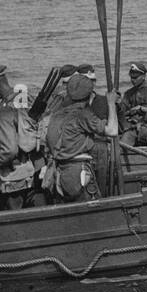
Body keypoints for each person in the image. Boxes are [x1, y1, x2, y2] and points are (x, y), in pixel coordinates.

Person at [44, 73, 119, 202]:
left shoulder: (57, 115)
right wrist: (111, 103)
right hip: (77, 173)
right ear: (90, 95)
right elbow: (112, 130)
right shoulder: (82, 115)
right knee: (92, 210)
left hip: (60, 173)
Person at [0, 65, 44, 210]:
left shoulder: (4, 110)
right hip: (35, 165)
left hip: (15, 171)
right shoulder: (27, 97)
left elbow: (9, 150)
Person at [121, 62, 147, 127]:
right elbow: (122, 110)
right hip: (131, 123)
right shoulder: (128, 93)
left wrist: (141, 108)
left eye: (135, 77)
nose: (133, 80)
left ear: (143, 76)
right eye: (131, 77)